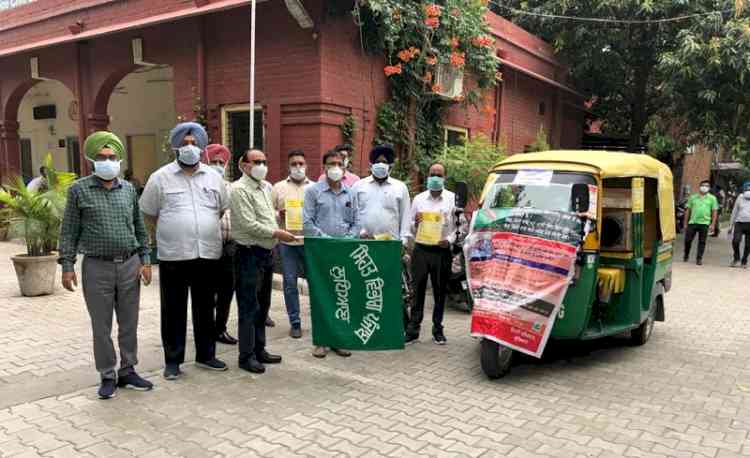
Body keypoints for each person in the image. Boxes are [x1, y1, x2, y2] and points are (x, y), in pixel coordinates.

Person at [58, 131, 153, 399]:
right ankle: (107, 374)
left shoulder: (128, 190)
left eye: (112, 157)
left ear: (119, 160)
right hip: (96, 267)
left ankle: (128, 370)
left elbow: (139, 226)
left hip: (129, 265)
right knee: (101, 325)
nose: (108, 161)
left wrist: (146, 260)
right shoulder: (79, 190)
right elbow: (69, 231)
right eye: (102, 157)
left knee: (129, 322)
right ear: (92, 159)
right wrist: (67, 265)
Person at [140, 121, 229, 380]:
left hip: (207, 253)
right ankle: (173, 361)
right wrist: (174, 228)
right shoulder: (160, 177)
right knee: (173, 309)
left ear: (202, 147)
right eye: (184, 143)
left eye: (194, 143)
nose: (189, 148)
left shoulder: (214, 177)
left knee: (205, 307)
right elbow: (149, 213)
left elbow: (221, 209)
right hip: (174, 255)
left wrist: (199, 226)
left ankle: (206, 355)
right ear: (176, 147)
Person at [231, 149, 295, 374]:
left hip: (267, 254)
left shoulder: (266, 187)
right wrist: (278, 233)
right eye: (256, 162)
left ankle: (260, 349)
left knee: (263, 306)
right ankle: (245, 356)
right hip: (249, 254)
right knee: (248, 306)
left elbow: (268, 217)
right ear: (243, 165)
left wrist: (281, 216)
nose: (261, 165)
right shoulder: (238, 190)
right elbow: (249, 225)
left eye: (264, 161)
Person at [303, 149, 358, 358]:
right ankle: (321, 341)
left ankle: (338, 339)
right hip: (321, 252)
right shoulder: (313, 191)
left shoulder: (350, 193)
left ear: (344, 167)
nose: (335, 167)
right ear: (324, 167)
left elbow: (356, 221)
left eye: (338, 163)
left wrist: (347, 240)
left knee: (341, 295)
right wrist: (328, 241)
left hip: (344, 251)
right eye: (331, 164)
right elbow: (307, 223)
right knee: (320, 296)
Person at [405, 163, 456, 345]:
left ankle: (437, 329)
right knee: (417, 291)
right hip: (421, 249)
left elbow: (461, 227)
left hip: (441, 251)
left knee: (439, 292)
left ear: (444, 177)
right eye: (432, 173)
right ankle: (413, 330)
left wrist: (449, 241)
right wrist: (416, 223)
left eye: (439, 174)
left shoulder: (452, 199)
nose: (435, 177)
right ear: (428, 175)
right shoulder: (418, 199)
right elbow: (409, 225)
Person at [272, 150, 311, 338]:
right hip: (287, 243)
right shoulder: (278, 188)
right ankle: (295, 322)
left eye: (301, 163)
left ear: (306, 165)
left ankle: (320, 320)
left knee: (316, 282)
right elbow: (268, 212)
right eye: (294, 164)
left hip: (310, 243)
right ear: (289, 166)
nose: (298, 167)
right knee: (289, 283)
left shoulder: (315, 188)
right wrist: (279, 215)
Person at [205, 144, 238, 345]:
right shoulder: (201, 186)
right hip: (207, 246)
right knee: (207, 292)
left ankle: (220, 328)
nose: (218, 166)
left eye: (221, 162)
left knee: (227, 290)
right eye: (213, 162)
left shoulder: (231, 187)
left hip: (229, 246)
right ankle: (206, 328)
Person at [352, 144, 411, 243]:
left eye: (384, 162)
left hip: (390, 244)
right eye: (377, 161)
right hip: (362, 242)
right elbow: (351, 214)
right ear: (371, 164)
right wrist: (359, 232)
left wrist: (403, 241)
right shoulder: (358, 186)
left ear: (390, 166)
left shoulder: (400, 187)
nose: (380, 164)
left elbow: (405, 216)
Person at [684, 180, 719, 266]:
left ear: (709, 188)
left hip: (705, 223)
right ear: (699, 187)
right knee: (688, 240)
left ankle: (699, 258)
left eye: (706, 186)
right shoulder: (693, 197)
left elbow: (714, 212)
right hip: (692, 222)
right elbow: (688, 211)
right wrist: (685, 223)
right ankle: (686, 254)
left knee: (702, 241)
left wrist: (713, 224)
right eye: (703, 185)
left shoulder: (712, 198)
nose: (704, 187)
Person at [729, 182, 750, 268]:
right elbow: (735, 211)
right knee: (736, 241)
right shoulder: (740, 197)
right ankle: (736, 258)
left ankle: (744, 260)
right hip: (739, 223)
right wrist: (731, 225)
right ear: (744, 189)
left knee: (748, 245)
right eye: (747, 189)